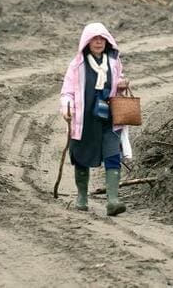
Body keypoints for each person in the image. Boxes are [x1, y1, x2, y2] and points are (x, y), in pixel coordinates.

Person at [60, 22, 132, 216]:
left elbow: (118, 81)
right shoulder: (77, 65)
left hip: (109, 116)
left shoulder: (113, 61)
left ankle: (113, 200)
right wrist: (66, 109)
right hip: (85, 119)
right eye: (95, 39)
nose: (99, 42)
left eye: (102, 39)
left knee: (112, 154)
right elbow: (66, 92)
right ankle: (82, 197)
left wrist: (122, 84)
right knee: (81, 154)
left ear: (107, 41)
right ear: (87, 42)